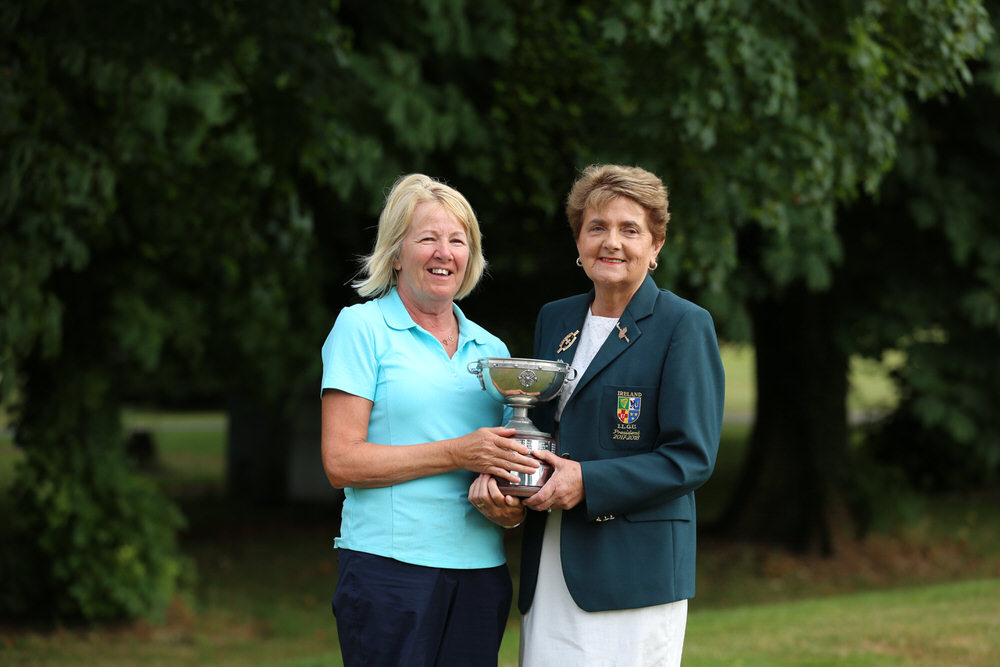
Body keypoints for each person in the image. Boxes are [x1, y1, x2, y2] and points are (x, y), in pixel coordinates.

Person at [471, 164, 725, 666]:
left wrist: (587, 481)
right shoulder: (556, 318)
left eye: (630, 229)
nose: (612, 242)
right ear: (579, 242)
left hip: (634, 571)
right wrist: (506, 477)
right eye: (597, 227)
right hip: (551, 563)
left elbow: (690, 458)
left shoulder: (684, 326)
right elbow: (536, 427)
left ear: (655, 248)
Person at [320, 173, 535, 667]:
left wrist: (511, 509)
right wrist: (458, 453)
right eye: (428, 238)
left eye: (457, 240)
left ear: (470, 256)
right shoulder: (362, 328)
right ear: (396, 253)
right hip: (389, 573)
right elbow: (340, 461)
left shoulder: (494, 352)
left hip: (482, 574)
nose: (444, 252)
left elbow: (503, 471)